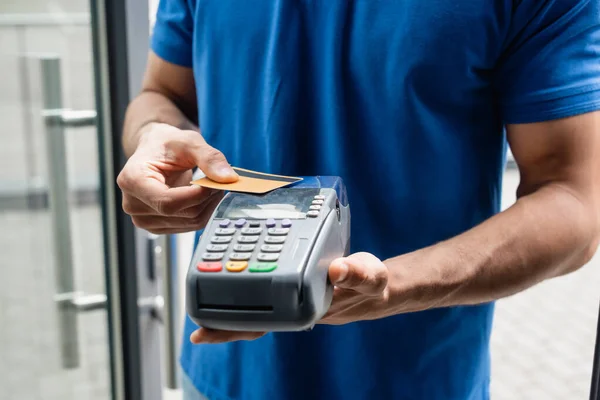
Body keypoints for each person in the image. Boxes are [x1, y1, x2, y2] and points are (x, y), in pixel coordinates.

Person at [116, 0, 600, 399]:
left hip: (411, 379)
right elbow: (162, 94)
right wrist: (151, 135)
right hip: (219, 374)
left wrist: (398, 286)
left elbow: (573, 199)